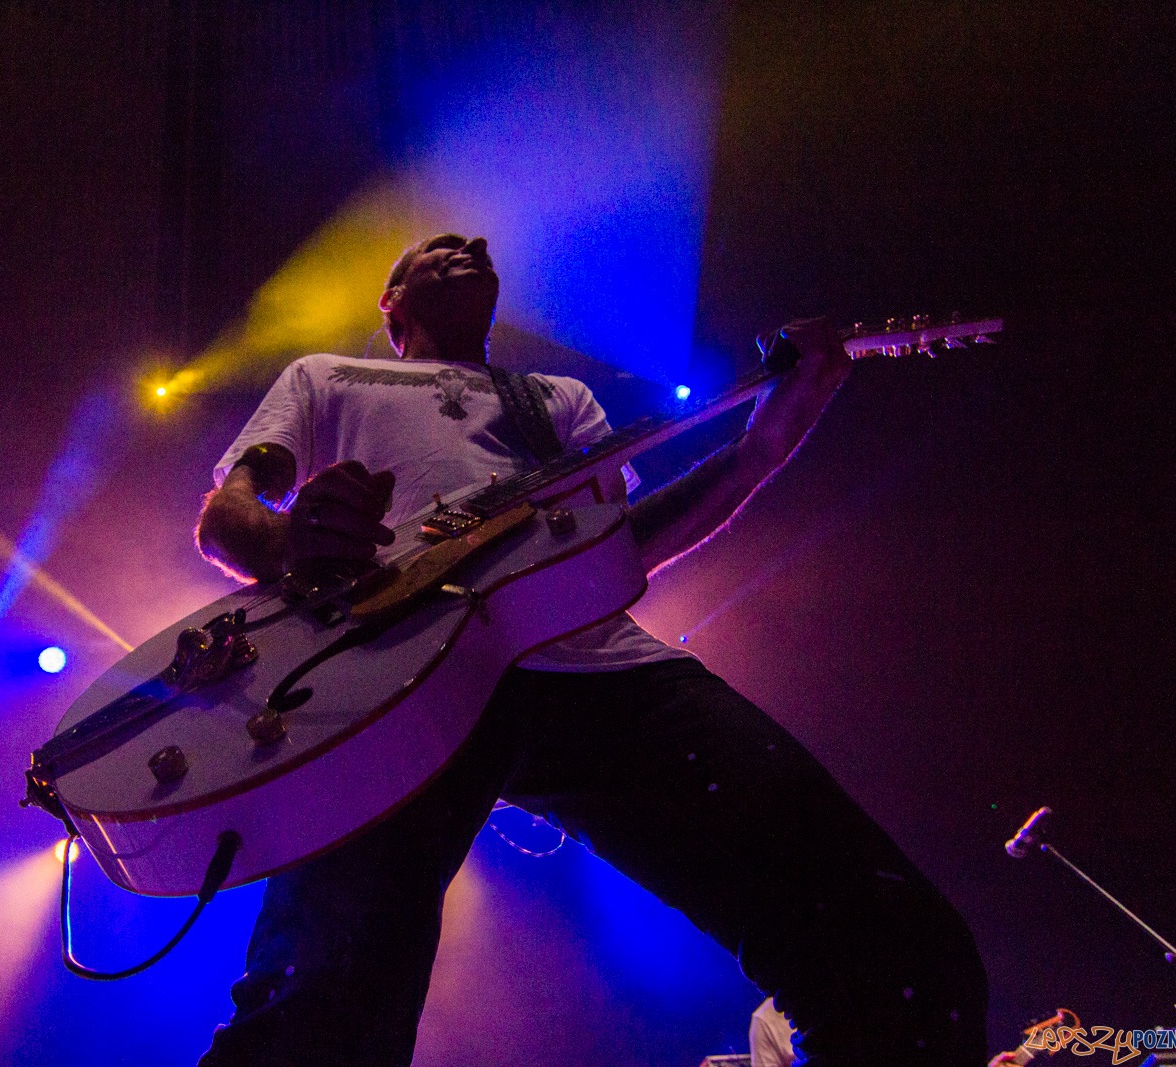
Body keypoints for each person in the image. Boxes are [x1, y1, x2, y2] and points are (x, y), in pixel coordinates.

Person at [193, 234, 988, 1066]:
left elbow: (621, 547)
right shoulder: (326, 377)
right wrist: (287, 543)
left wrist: (760, 449)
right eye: (440, 246)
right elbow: (226, 514)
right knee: (313, 1018)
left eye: (475, 245)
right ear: (390, 300)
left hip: (591, 663)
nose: (473, 245)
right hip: (390, 682)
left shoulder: (555, 399)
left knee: (902, 957)